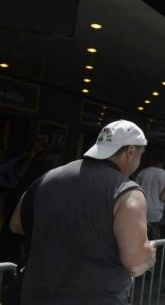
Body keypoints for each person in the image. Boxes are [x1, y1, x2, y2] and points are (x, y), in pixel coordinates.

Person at [9, 120, 156, 304]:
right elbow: (135, 263)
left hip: (35, 296)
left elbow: (16, 224)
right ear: (130, 152)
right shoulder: (127, 192)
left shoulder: (47, 178)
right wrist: (149, 254)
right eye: (140, 154)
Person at [134, 153, 165, 239]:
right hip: (157, 213)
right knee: (155, 240)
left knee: (140, 238)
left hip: (142, 210)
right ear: (163, 162)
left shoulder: (142, 173)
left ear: (151, 160)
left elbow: (135, 191)